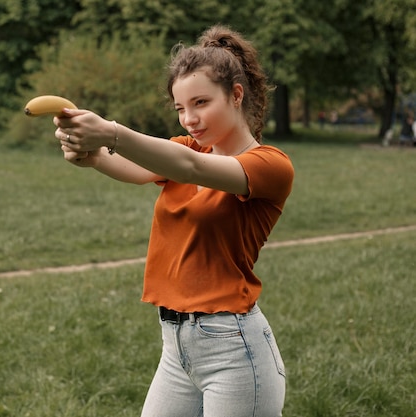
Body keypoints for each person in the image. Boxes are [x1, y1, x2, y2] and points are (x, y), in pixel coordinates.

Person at [53, 24, 294, 417]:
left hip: (234, 349)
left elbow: (194, 167)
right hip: (176, 347)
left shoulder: (270, 166)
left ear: (236, 95)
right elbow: (137, 166)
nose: (189, 119)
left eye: (200, 103)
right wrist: (90, 153)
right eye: (180, 108)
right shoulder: (182, 151)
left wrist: (110, 131)